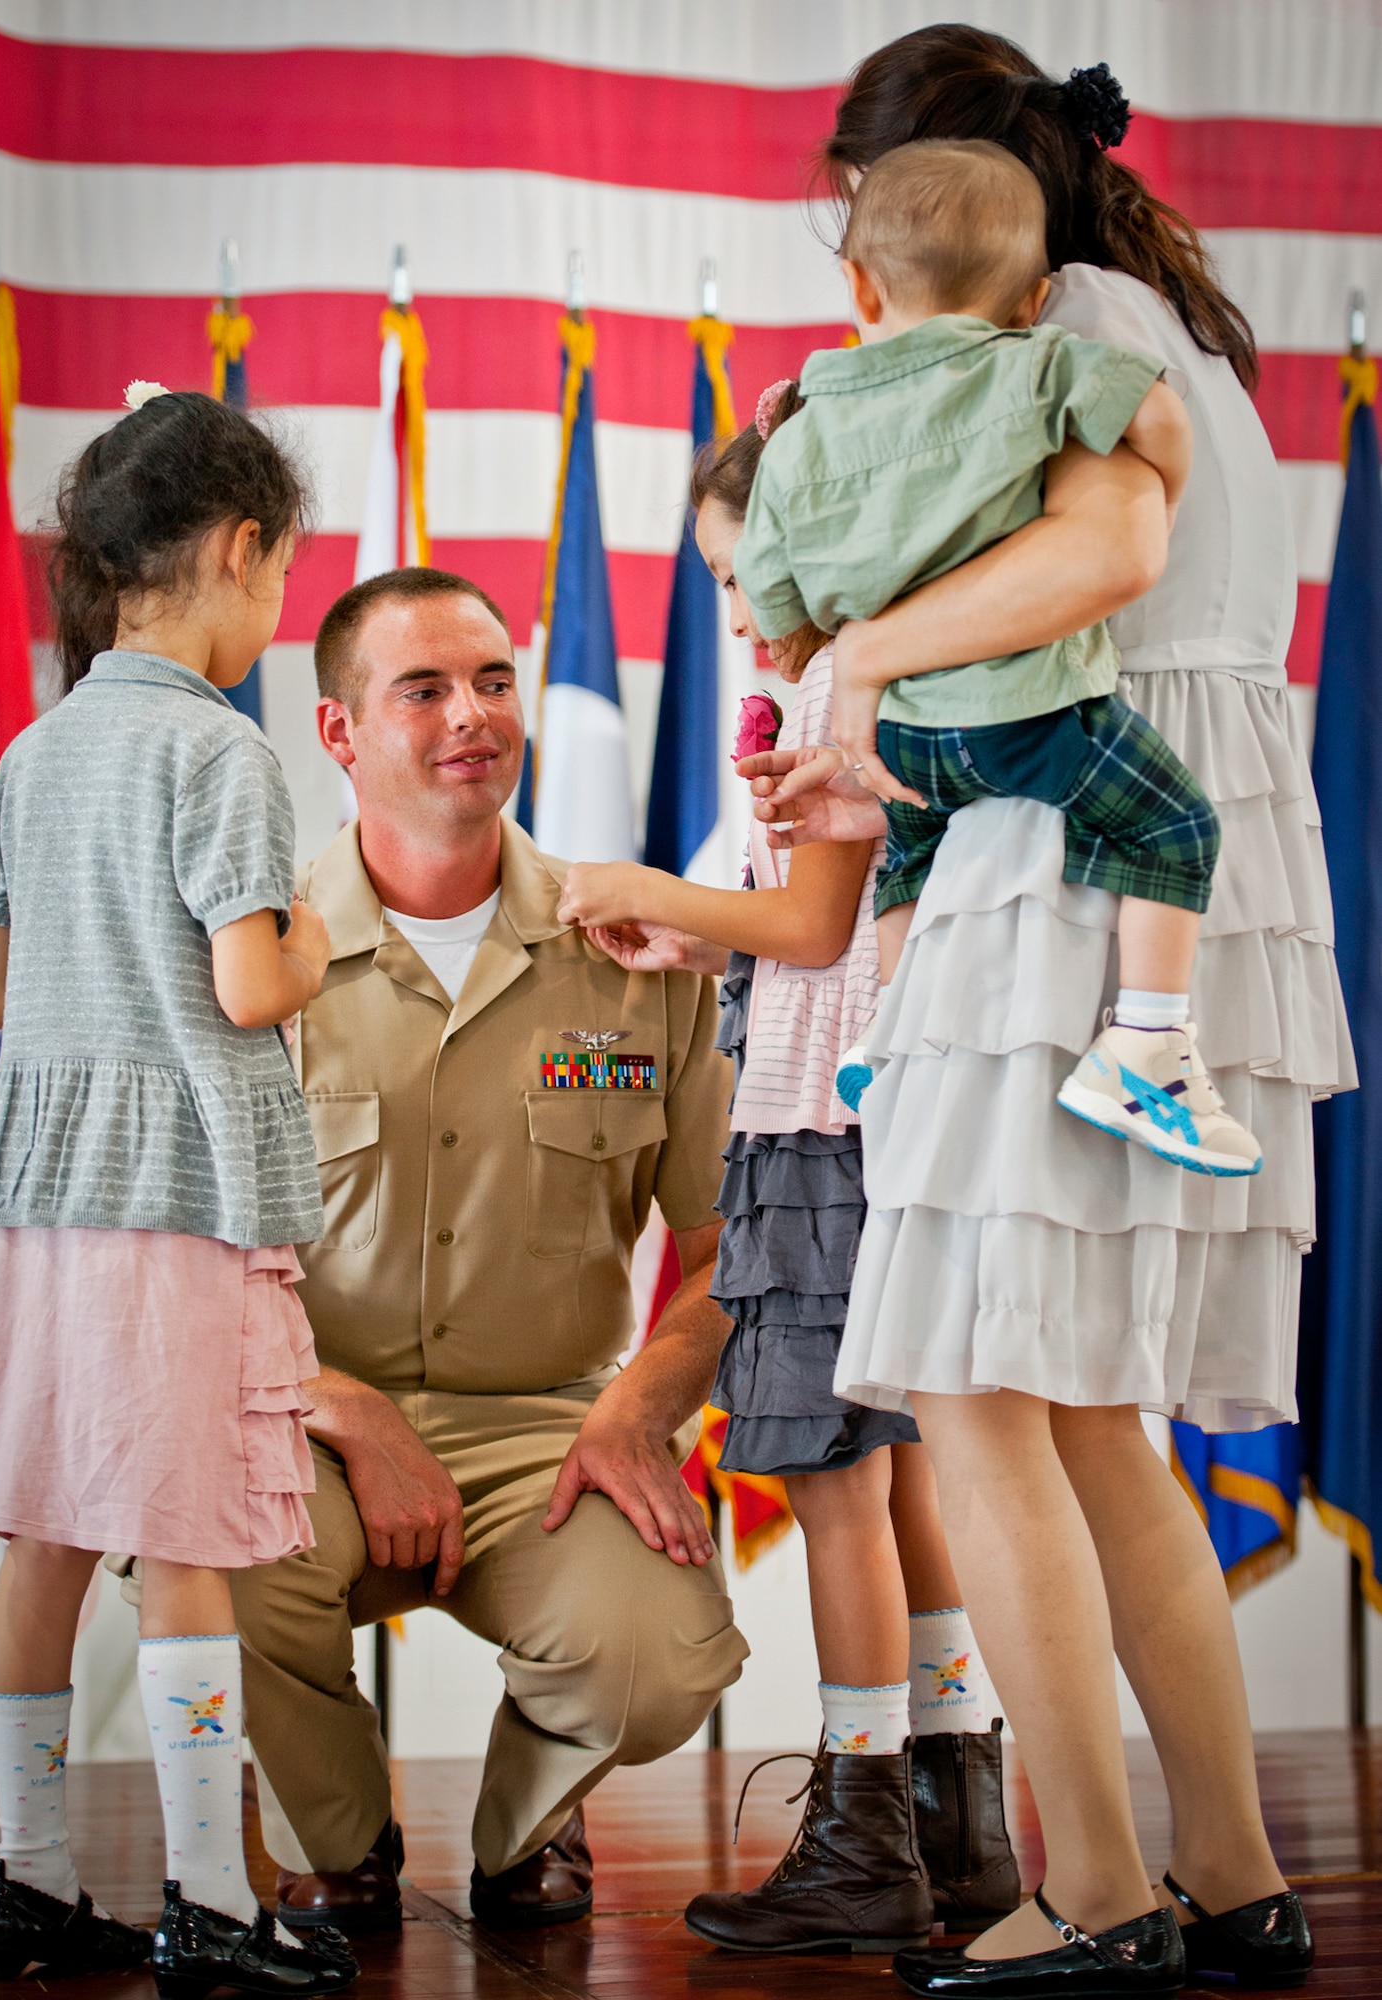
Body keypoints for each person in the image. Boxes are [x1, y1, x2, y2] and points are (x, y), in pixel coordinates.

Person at [744, 29, 1347, 1996]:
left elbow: (1108, 557)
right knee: (1095, 1416)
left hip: (1082, 891)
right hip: (1167, 850)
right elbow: (1100, 665)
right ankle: (1233, 1873)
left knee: (984, 1398)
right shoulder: (1153, 316)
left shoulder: (1058, 326)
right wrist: (884, 756)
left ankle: (1089, 1886)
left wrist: (849, 665)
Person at [557, 384, 1017, 1952]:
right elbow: (783, 914)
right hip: (869, 1121)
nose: (730, 607)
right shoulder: (863, 684)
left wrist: (631, 886)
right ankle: (961, 1816)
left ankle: (862, 1830)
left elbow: (812, 933)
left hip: (826, 1136)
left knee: (834, 1491)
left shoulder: (841, 691)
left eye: (740, 572)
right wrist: (680, 925)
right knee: (901, 1484)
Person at [227, 566, 749, 1938]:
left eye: (493, 680)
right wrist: (343, 1411)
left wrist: (639, 1414)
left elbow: (718, 1253)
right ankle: (333, 1846)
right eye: (423, 689)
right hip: (301, 1421)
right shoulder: (253, 957)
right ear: (338, 733)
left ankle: (525, 1835)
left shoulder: (638, 949)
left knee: (662, 1660)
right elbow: (181, 1273)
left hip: (545, 1429)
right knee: (210, 1553)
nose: (472, 715)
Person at [0, 386, 355, 1996]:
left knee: (43, 1538)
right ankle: (209, 1906)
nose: (276, 612)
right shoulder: (218, 750)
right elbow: (252, 987)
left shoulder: (35, 755)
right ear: (239, 554)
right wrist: (313, 933)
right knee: (183, 1543)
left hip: (42, 1210)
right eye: (281, 578)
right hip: (176, 1191)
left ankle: (29, 1882)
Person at [735, 139, 1256, 1183]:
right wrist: (1166, 474)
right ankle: (1146, 1046)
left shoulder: (796, 430)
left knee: (913, 858)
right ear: (1035, 295)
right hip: (1026, 712)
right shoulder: (1043, 363)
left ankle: (883, 1040)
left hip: (899, 741)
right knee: (1171, 823)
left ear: (857, 282)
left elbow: (770, 602)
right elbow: (1158, 418)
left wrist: (814, 639)